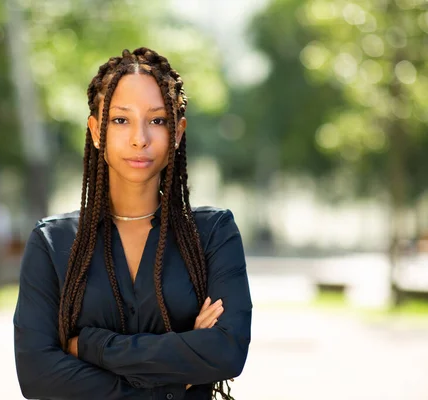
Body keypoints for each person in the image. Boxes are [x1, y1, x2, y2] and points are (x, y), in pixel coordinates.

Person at [13, 47, 252, 400]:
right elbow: (37, 376)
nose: (140, 138)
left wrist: (90, 345)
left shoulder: (213, 233)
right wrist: (174, 382)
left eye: (157, 120)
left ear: (178, 132)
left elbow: (227, 352)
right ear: (96, 131)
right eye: (121, 120)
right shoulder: (52, 242)